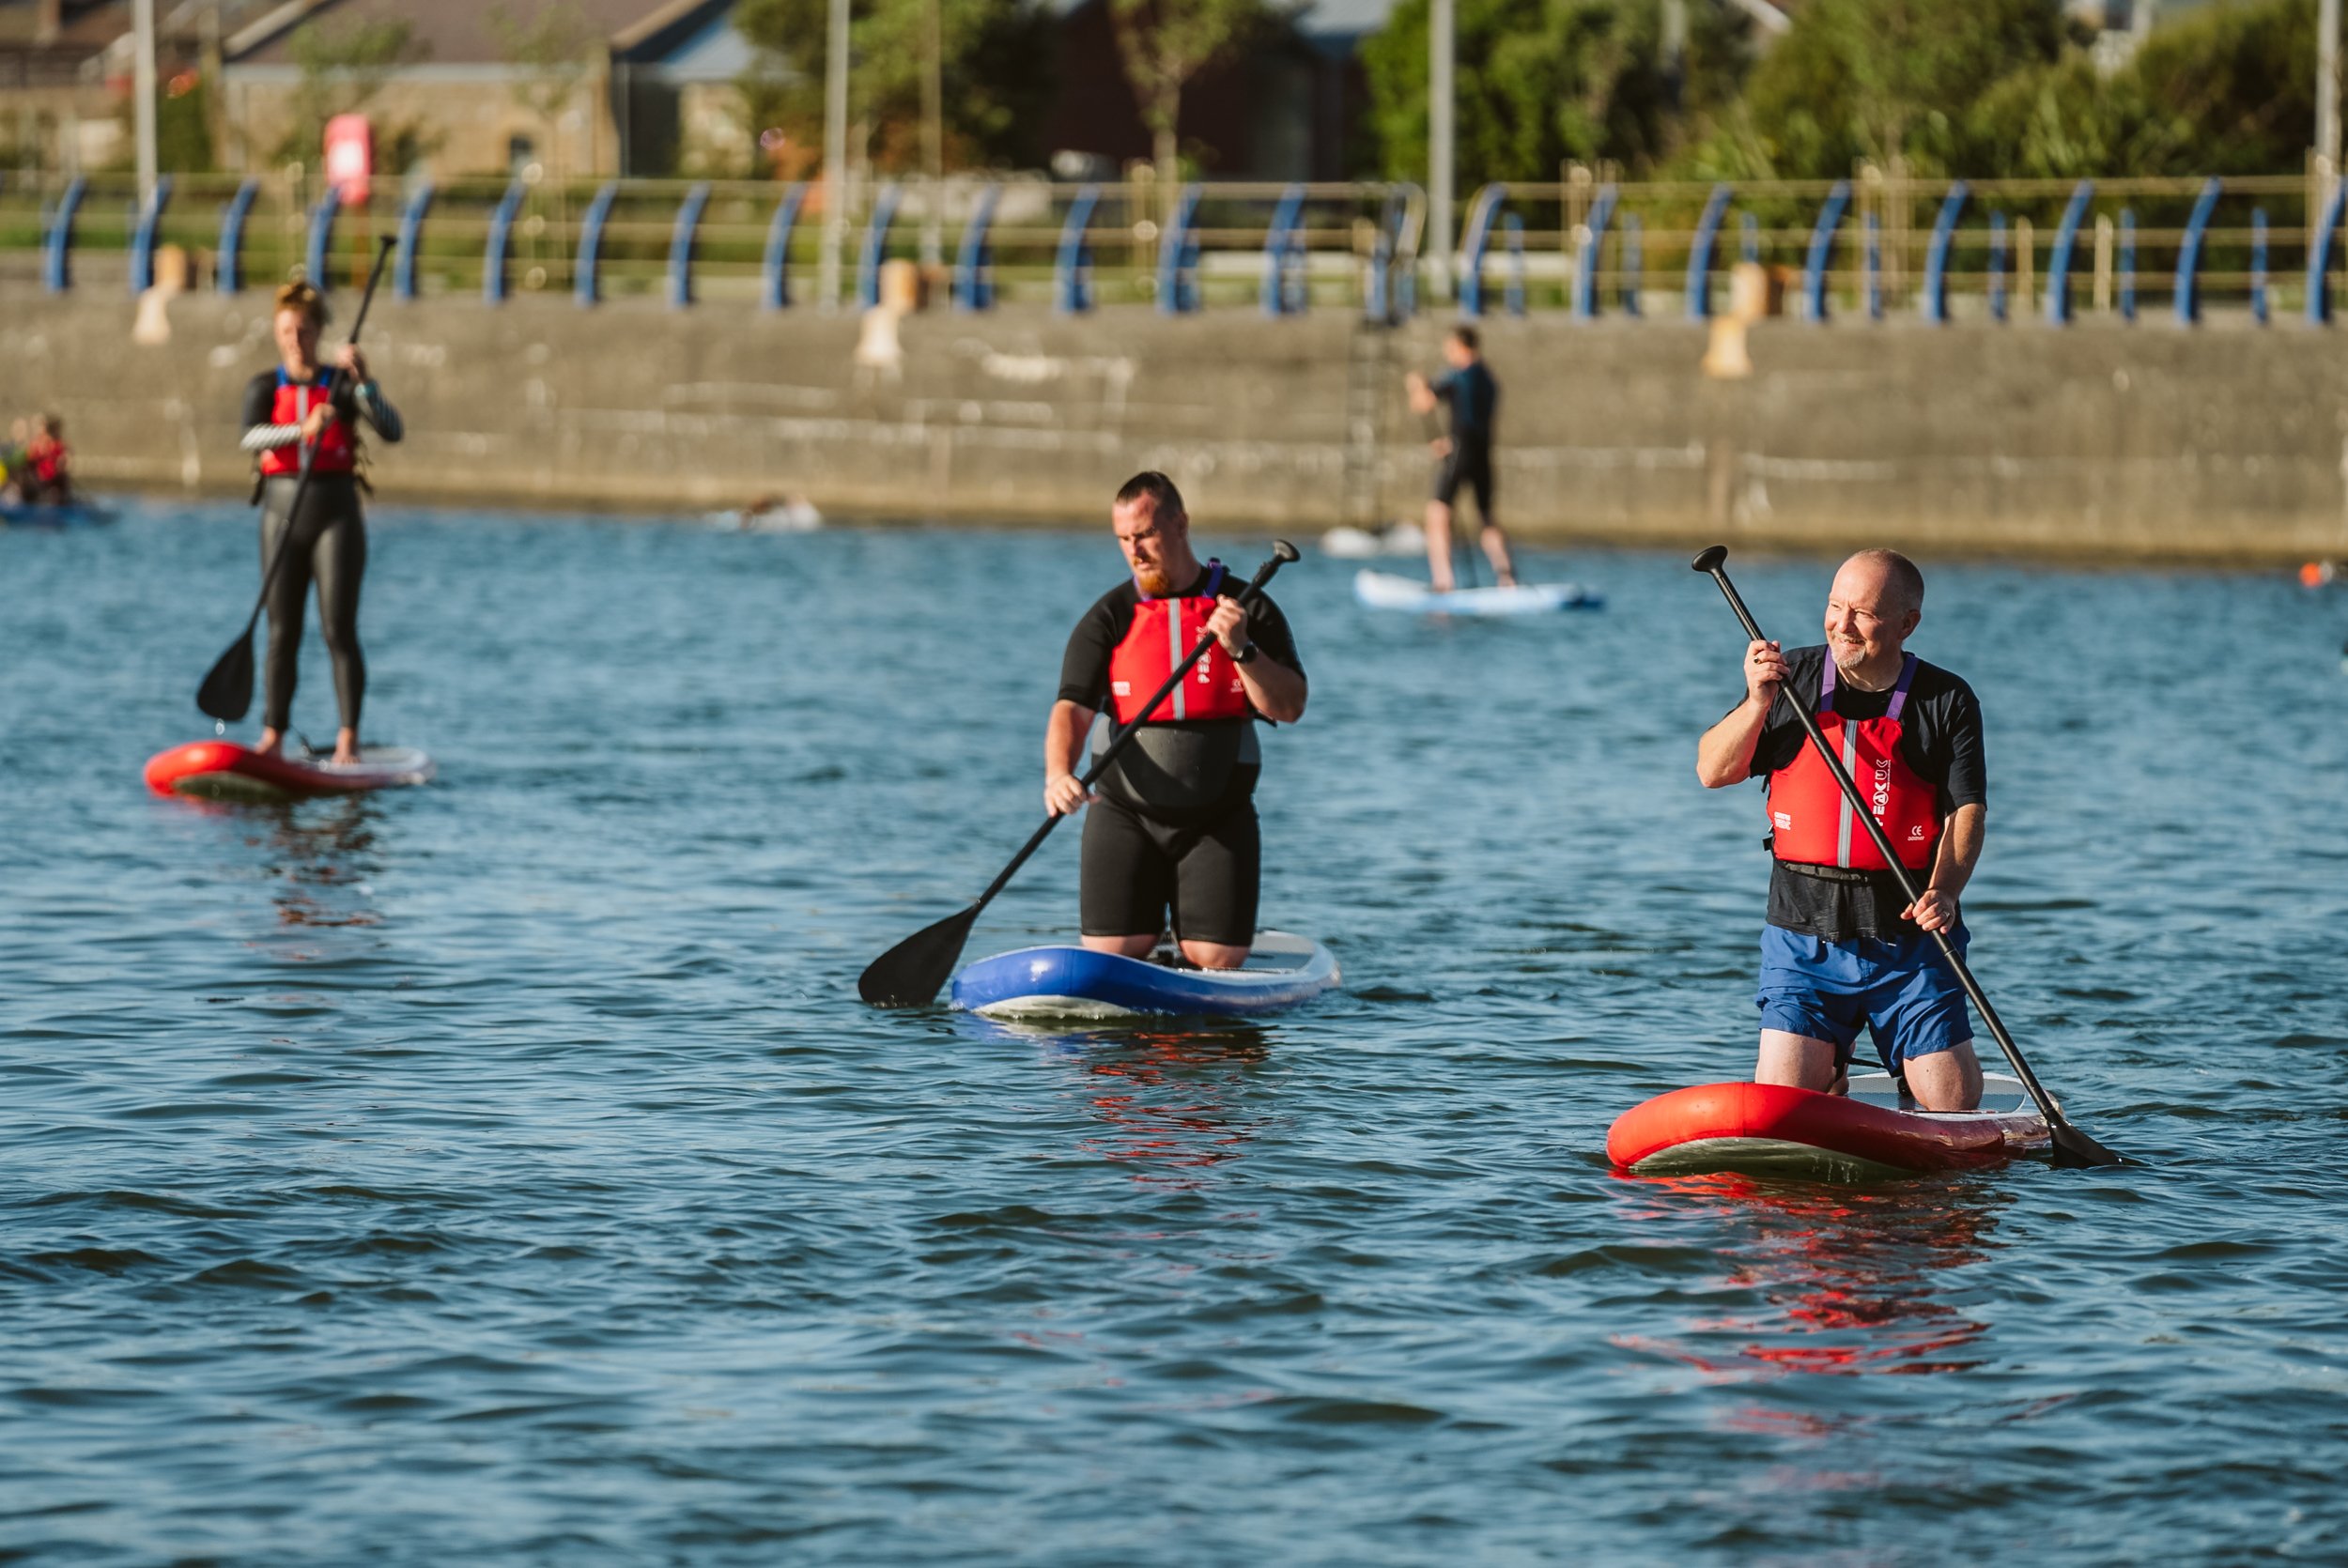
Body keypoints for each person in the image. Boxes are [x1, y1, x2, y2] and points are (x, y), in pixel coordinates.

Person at [1694, 549, 1988, 1112]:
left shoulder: (1946, 700)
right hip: (1804, 937)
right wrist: (1758, 701)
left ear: (1907, 623)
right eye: (1834, 606)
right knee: (1781, 1099)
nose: (1841, 624)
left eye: (1863, 613)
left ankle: (1910, 1074)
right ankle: (1828, 1075)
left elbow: (1966, 811)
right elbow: (1712, 770)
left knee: (1952, 1105)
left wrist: (1947, 890)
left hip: (1910, 941)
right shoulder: (1790, 681)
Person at [1045, 472, 1308, 969]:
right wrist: (1059, 774)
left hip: (1218, 814)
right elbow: (1071, 709)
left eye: (1144, 534)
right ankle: (1154, 940)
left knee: (1217, 957)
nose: (1134, 551)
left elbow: (1291, 706)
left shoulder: (1246, 606)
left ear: (1181, 524)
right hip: (1125, 812)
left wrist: (1243, 651)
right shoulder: (1110, 616)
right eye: (1124, 539)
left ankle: (1186, 941)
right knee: (1114, 955)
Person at [239, 280, 403, 765]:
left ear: (319, 332)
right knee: (281, 631)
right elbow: (249, 438)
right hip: (280, 514)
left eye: (304, 330)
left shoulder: (342, 385)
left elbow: (392, 430)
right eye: (287, 330)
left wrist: (366, 383)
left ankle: (348, 739)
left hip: (335, 516)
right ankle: (272, 736)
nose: (296, 339)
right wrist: (301, 429)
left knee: (338, 631)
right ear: (277, 332)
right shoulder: (265, 387)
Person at [1406, 325, 1517, 592]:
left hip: (1461, 453)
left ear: (1460, 347)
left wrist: (1415, 385)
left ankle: (1444, 580)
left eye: (1450, 349)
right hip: (1482, 453)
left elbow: (1423, 403)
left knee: (1438, 512)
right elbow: (1473, 418)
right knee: (1487, 516)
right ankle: (1507, 579)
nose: (1448, 354)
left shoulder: (1457, 375)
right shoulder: (1490, 380)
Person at [14, 414, 74, 506]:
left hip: (54, 481)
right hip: (40, 482)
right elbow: (28, 459)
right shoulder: (38, 443)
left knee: (60, 485)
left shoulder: (61, 445)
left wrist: (64, 463)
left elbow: (67, 461)